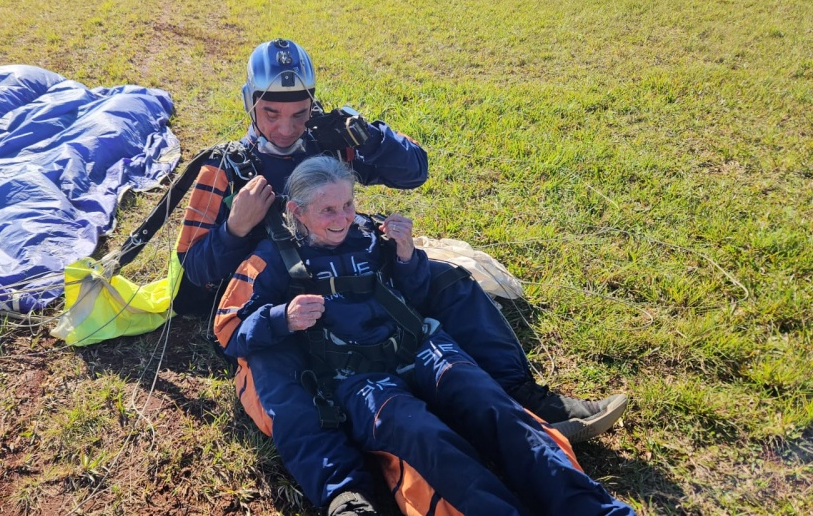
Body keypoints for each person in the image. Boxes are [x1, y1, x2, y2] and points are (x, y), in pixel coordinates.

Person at [175, 38, 627, 514]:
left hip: (357, 267)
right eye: (271, 114)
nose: (286, 128)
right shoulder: (224, 168)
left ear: (313, 103)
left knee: (449, 281)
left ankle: (521, 396)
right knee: (280, 366)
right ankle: (343, 486)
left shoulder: (331, 141)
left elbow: (415, 171)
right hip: (275, 293)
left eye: (299, 113)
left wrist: (369, 136)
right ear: (250, 102)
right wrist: (235, 227)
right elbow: (194, 274)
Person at [215, 156, 635, 515]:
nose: (342, 218)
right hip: (356, 378)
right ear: (298, 211)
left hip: (423, 346)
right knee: (424, 436)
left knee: (493, 406)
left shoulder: (370, 234)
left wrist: (407, 256)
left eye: (348, 204)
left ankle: (593, 508)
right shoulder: (272, 259)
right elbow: (229, 329)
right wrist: (281, 318)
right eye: (327, 211)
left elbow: (417, 293)